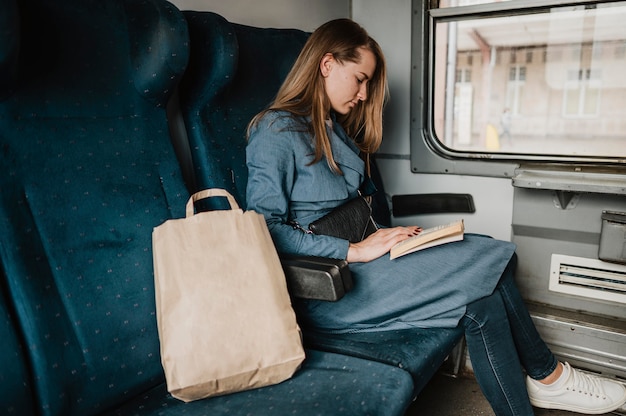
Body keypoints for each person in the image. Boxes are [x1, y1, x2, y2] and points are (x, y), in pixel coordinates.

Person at [245, 18, 626, 416]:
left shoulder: (333, 129)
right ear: (327, 64)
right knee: (494, 257)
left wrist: (385, 234)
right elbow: (264, 229)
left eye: (368, 84)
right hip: (330, 287)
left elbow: (348, 207)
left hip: (367, 265)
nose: (363, 94)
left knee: (484, 304)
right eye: (359, 79)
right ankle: (548, 376)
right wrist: (355, 250)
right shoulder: (276, 130)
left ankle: (535, 394)